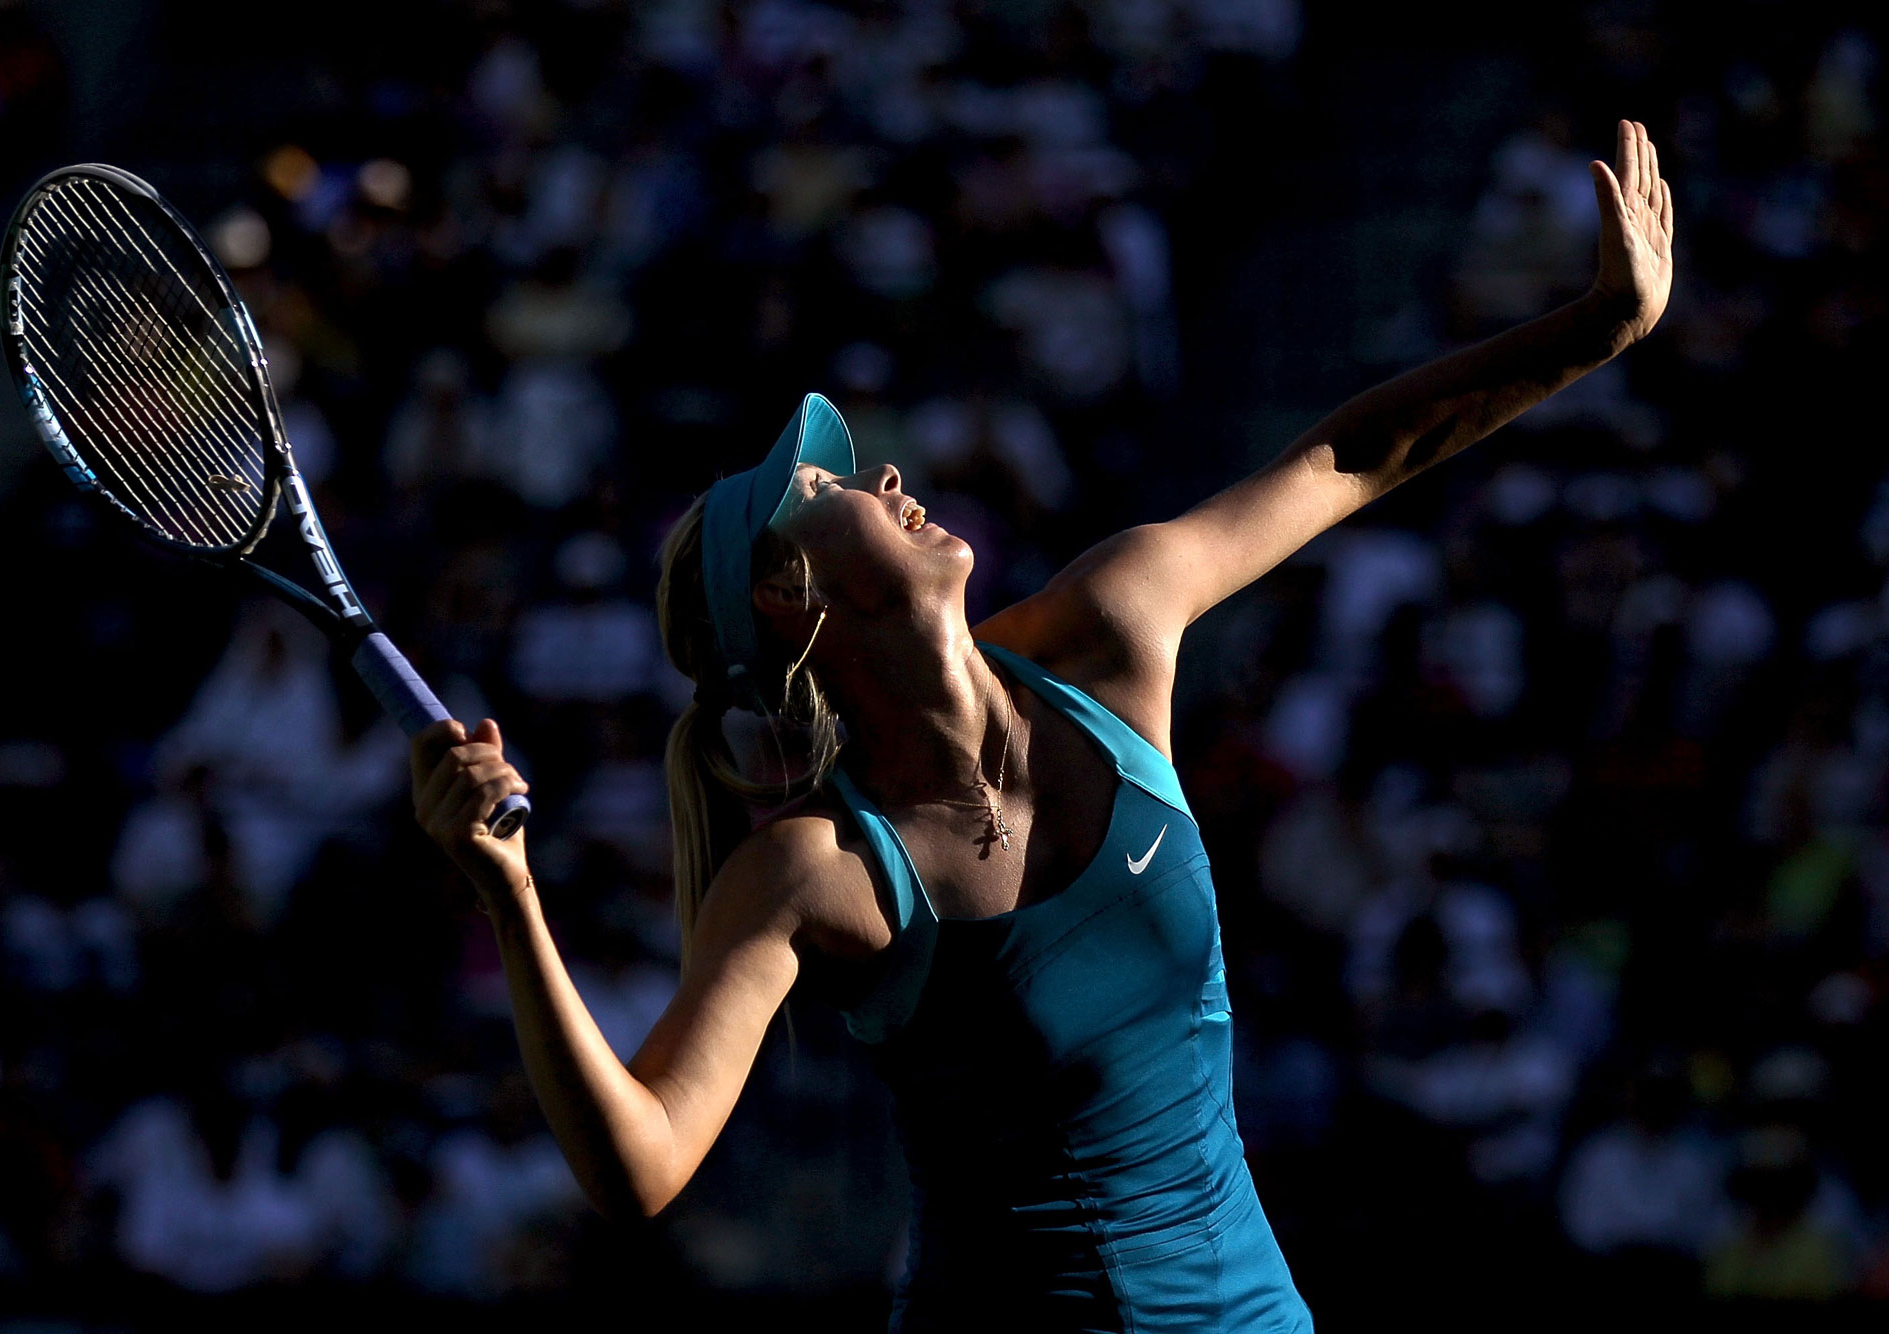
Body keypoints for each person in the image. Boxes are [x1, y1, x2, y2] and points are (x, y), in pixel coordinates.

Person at [410, 120, 1674, 1331]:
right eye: (828, 487)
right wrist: (510, 898)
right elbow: (641, 1162)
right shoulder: (814, 871)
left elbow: (1350, 456)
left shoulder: (1114, 630)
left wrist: (1592, 328)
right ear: (787, 598)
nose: (884, 477)